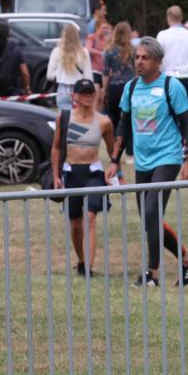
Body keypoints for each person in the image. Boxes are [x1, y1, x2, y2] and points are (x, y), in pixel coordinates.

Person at [110, 37, 188, 288]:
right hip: (142, 161)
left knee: (151, 212)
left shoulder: (172, 86)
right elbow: (123, 125)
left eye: (145, 58)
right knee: (150, 219)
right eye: (137, 57)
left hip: (167, 158)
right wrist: (114, 160)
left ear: (158, 61)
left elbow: (186, 124)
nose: (139, 62)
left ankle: (152, 273)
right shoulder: (130, 88)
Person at [50, 78, 116, 277]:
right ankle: (81, 261)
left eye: (91, 93)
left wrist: (115, 169)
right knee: (76, 225)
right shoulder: (65, 117)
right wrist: (55, 176)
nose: (88, 96)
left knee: (90, 218)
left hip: (94, 174)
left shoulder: (103, 121)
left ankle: (88, 267)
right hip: (71, 173)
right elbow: (55, 147)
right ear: (74, 96)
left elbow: (113, 150)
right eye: (84, 93)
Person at [156, 5, 188, 110]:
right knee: (185, 115)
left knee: (168, 112)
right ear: (181, 18)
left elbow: (157, 58)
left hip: (167, 78)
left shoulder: (162, 35)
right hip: (186, 77)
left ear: (168, 18)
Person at [48, 23, 93, 111]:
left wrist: (61, 75)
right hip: (80, 89)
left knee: (63, 119)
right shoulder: (84, 52)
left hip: (62, 89)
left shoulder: (56, 51)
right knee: (79, 119)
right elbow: (88, 77)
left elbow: (49, 75)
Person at [102, 21, 137, 132]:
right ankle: (130, 146)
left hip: (115, 87)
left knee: (115, 120)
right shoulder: (133, 50)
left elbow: (106, 73)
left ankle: (116, 146)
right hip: (131, 87)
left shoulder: (109, 51)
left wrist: (104, 90)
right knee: (131, 119)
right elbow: (137, 70)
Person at [85, 19, 112, 109]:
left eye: (106, 28)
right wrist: (100, 53)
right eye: (103, 27)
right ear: (97, 27)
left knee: (101, 97)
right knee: (96, 94)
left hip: (104, 71)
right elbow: (88, 49)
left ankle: (98, 117)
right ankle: (93, 115)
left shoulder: (107, 39)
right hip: (95, 70)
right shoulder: (92, 37)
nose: (105, 30)